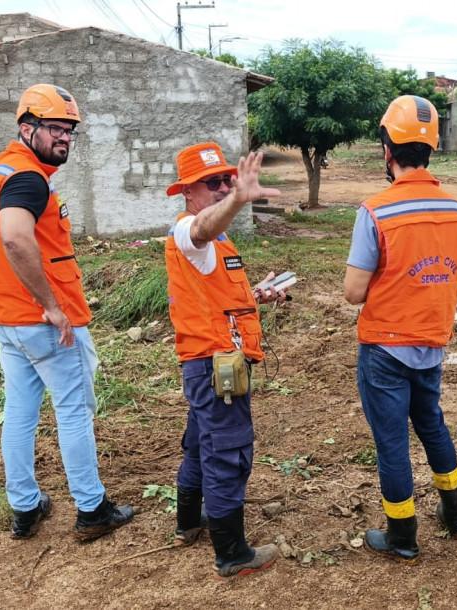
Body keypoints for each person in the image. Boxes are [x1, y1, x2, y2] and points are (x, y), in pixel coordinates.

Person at [0, 84, 134, 541]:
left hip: (6, 318)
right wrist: (51, 306)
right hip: (45, 323)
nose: (63, 138)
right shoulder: (26, 179)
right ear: (27, 128)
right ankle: (92, 508)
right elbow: (15, 238)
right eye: (54, 129)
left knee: (19, 411)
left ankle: (24, 507)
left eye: (69, 130)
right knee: (73, 411)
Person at [343, 95, 457, 561]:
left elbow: (354, 292)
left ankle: (401, 536)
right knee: (433, 426)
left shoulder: (376, 211)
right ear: (431, 148)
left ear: (387, 149)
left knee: (392, 443)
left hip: (384, 348)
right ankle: (454, 515)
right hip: (433, 345)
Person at [163, 141, 287, 577]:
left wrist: (256, 298)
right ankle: (232, 553)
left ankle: (187, 524)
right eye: (210, 183)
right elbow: (198, 232)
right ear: (188, 193)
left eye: (225, 180)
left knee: (200, 445)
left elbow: (215, 300)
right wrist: (238, 197)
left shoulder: (221, 243)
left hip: (212, 364)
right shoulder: (190, 231)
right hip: (215, 368)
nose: (220, 188)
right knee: (228, 454)